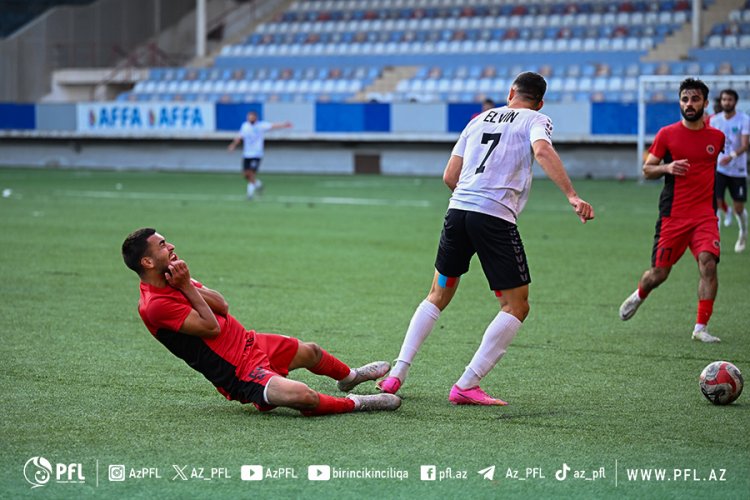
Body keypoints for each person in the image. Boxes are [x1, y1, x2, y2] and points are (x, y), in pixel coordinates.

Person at [377, 72, 595, 405]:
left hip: (458, 213)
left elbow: (450, 176)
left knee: (437, 294)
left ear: (511, 93)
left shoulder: (478, 120)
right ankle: (466, 384)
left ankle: (397, 374)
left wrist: (470, 199)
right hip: (493, 219)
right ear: (540, 101)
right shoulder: (537, 119)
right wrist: (572, 195)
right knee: (516, 305)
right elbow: (542, 151)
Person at [121, 228, 400, 416]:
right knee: (305, 397)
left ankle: (349, 378)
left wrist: (186, 285)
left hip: (249, 342)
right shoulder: (155, 305)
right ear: (146, 262)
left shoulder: (175, 275)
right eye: (162, 245)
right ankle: (359, 403)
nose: (170, 246)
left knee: (311, 351)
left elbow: (222, 306)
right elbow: (212, 327)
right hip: (237, 373)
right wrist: (186, 287)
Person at [619, 78, 726, 343]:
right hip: (673, 215)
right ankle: (639, 294)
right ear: (680, 102)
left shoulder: (717, 137)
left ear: (705, 103)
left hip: (704, 215)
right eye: (685, 99)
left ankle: (700, 327)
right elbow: (647, 169)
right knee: (659, 274)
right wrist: (667, 168)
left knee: (708, 263)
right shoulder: (667, 134)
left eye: (695, 99)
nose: (689, 104)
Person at [711, 89, 750, 252]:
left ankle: (743, 232)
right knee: (716, 202)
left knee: (738, 207)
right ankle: (714, 239)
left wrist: (731, 156)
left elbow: (745, 144)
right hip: (719, 169)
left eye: (730, 99)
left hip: (738, 170)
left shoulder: (744, 119)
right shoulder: (715, 121)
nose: (726, 102)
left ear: (735, 101)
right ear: (720, 101)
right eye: (724, 99)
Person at [227, 111, 292, 200]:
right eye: (249, 117)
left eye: (252, 117)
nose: (250, 118)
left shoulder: (261, 125)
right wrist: (233, 145)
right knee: (246, 175)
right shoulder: (245, 126)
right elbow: (239, 137)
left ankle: (250, 195)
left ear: (255, 117)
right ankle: (258, 184)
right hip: (247, 154)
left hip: (257, 154)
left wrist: (284, 125)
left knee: (251, 173)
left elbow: (272, 126)